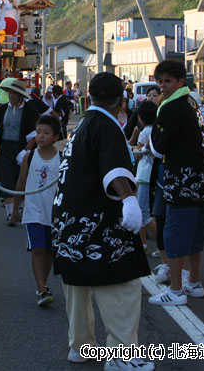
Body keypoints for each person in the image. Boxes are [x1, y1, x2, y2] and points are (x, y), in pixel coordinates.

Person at [52, 72, 153, 370]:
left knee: (78, 288)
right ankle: (122, 356)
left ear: (90, 97)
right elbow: (115, 171)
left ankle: (81, 346)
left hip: (67, 223)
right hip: (96, 225)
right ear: (122, 101)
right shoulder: (107, 127)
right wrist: (130, 201)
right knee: (120, 287)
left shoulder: (83, 124)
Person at [148, 60, 204, 306]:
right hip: (202, 178)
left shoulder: (171, 107)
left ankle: (176, 291)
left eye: (167, 81)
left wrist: (157, 111)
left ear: (180, 81)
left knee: (174, 235)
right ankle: (193, 283)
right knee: (195, 234)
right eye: (159, 81)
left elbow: (157, 146)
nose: (162, 86)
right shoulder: (191, 102)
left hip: (182, 179)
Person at [15, 115, 61, 307]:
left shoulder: (62, 158)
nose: (41, 136)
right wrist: (15, 208)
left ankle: (43, 283)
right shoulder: (29, 156)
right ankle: (42, 289)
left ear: (56, 137)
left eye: (46, 133)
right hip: (33, 211)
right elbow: (21, 181)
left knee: (50, 251)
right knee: (38, 249)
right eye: (38, 132)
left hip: (53, 213)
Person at [0, 78, 38, 225]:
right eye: (10, 93)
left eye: (15, 93)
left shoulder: (29, 111)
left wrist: (25, 152)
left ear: (21, 96)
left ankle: (18, 210)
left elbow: (34, 135)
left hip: (21, 148)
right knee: (7, 180)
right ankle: (10, 213)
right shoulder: (2, 109)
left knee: (20, 180)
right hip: (5, 148)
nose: (11, 96)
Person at [134, 100, 158, 251]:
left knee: (143, 211)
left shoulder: (144, 133)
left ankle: (163, 243)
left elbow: (138, 153)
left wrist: (136, 150)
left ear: (141, 117)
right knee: (144, 209)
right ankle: (142, 244)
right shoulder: (156, 129)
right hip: (152, 173)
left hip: (143, 174)